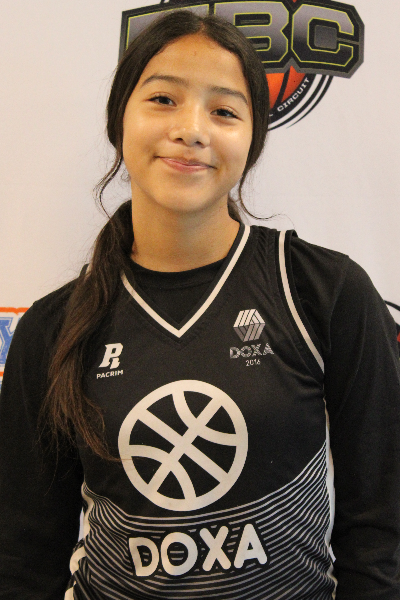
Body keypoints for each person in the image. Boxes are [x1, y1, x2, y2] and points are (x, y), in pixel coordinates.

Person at [0, 9, 399, 600]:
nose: (191, 129)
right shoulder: (53, 328)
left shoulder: (324, 291)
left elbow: (381, 531)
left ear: (252, 141)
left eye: (224, 111)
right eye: (163, 100)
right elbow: (23, 559)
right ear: (119, 120)